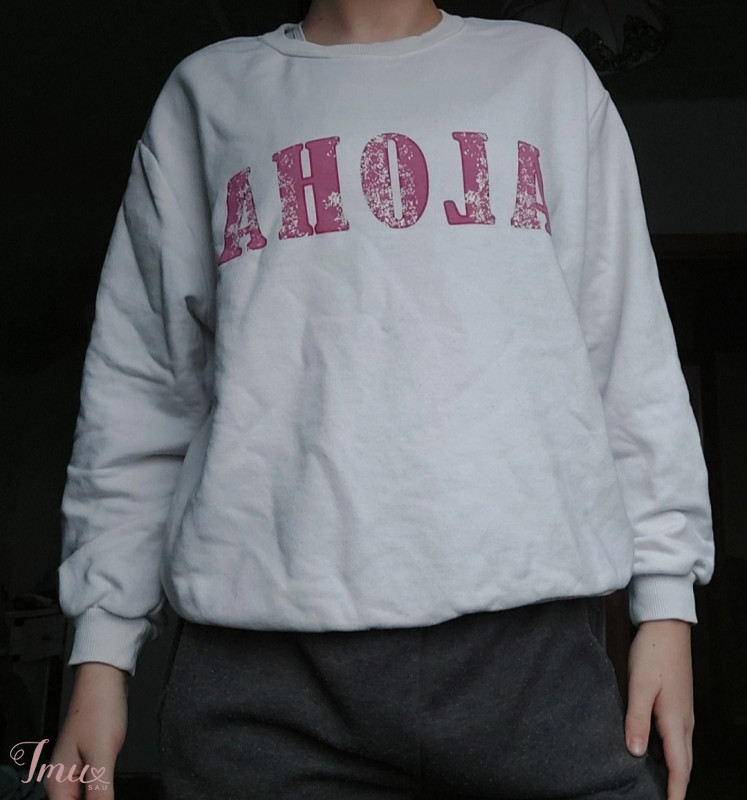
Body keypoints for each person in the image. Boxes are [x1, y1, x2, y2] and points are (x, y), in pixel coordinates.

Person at [46, 1, 714, 798]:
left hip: (532, 664)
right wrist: (101, 648)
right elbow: (139, 390)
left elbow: (626, 353)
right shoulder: (208, 93)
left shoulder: (547, 77)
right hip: (264, 685)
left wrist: (665, 604)